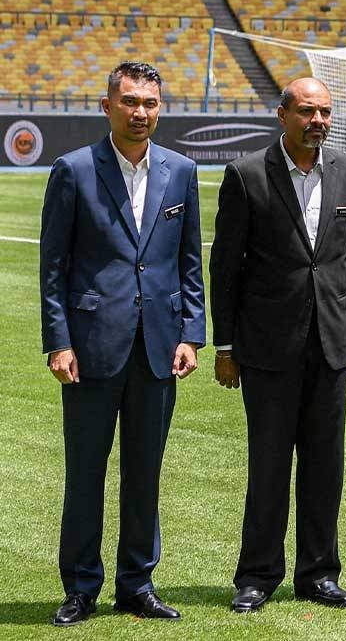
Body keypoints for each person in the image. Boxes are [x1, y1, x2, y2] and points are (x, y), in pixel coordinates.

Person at [39, 61, 205, 626]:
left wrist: (192, 332)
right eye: (130, 101)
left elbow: (189, 263)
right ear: (107, 105)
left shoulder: (181, 171)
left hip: (159, 346)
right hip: (89, 346)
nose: (140, 112)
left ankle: (137, 582)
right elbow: (54, 266)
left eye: (150, 103)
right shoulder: (73, 169)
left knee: (146, 470)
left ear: (161, 109)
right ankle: (81, 587)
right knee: (85, 471)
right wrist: (58, 341)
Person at [209, 77, 346, 613]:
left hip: (331, 343)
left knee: (326, 466)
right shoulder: (246, 174)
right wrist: (225, 345)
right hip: (265, 346)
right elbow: (226, 267)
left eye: (325, 112)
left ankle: (319, 573)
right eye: (307, 111)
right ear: (282, 115)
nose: (317, 121)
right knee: (269, 464)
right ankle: (257, 575)